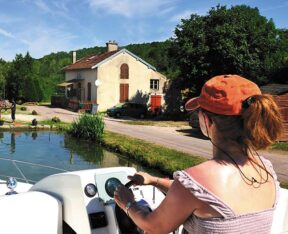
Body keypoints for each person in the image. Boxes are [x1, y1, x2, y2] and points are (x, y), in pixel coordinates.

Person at [114, 75, 282, 233]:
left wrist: (127, 202)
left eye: (198, 112)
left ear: (207, 121)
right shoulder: (266, 170)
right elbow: (203, 195)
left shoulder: (195, 180)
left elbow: (153, 226)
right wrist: (155, 181)